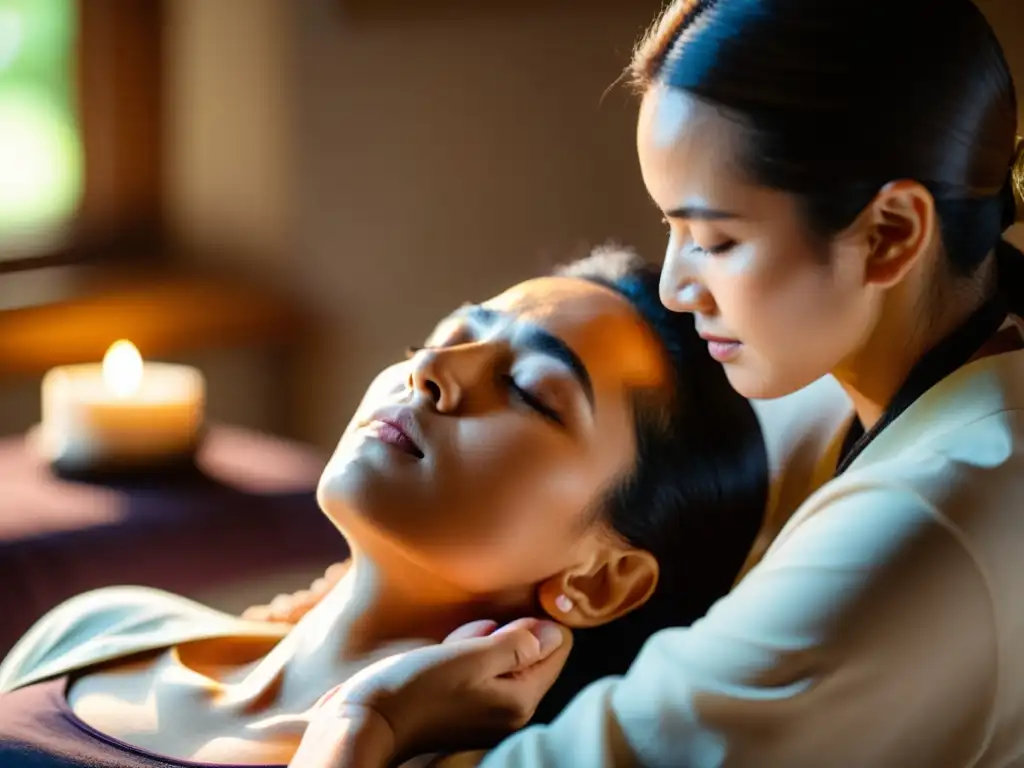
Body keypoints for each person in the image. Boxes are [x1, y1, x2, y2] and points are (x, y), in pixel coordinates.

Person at [289, 0, 1024, 765]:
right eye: (670, 228)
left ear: (892, 233)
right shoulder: (859, 377)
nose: (676, 284)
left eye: (716, 239)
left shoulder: (931, 522)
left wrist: (364, 717)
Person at [0, 248, 769, 766]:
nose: (431, 369)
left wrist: (368, 728)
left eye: (532, 391)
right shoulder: (105, 626)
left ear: (604, 580)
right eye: (444, 336)